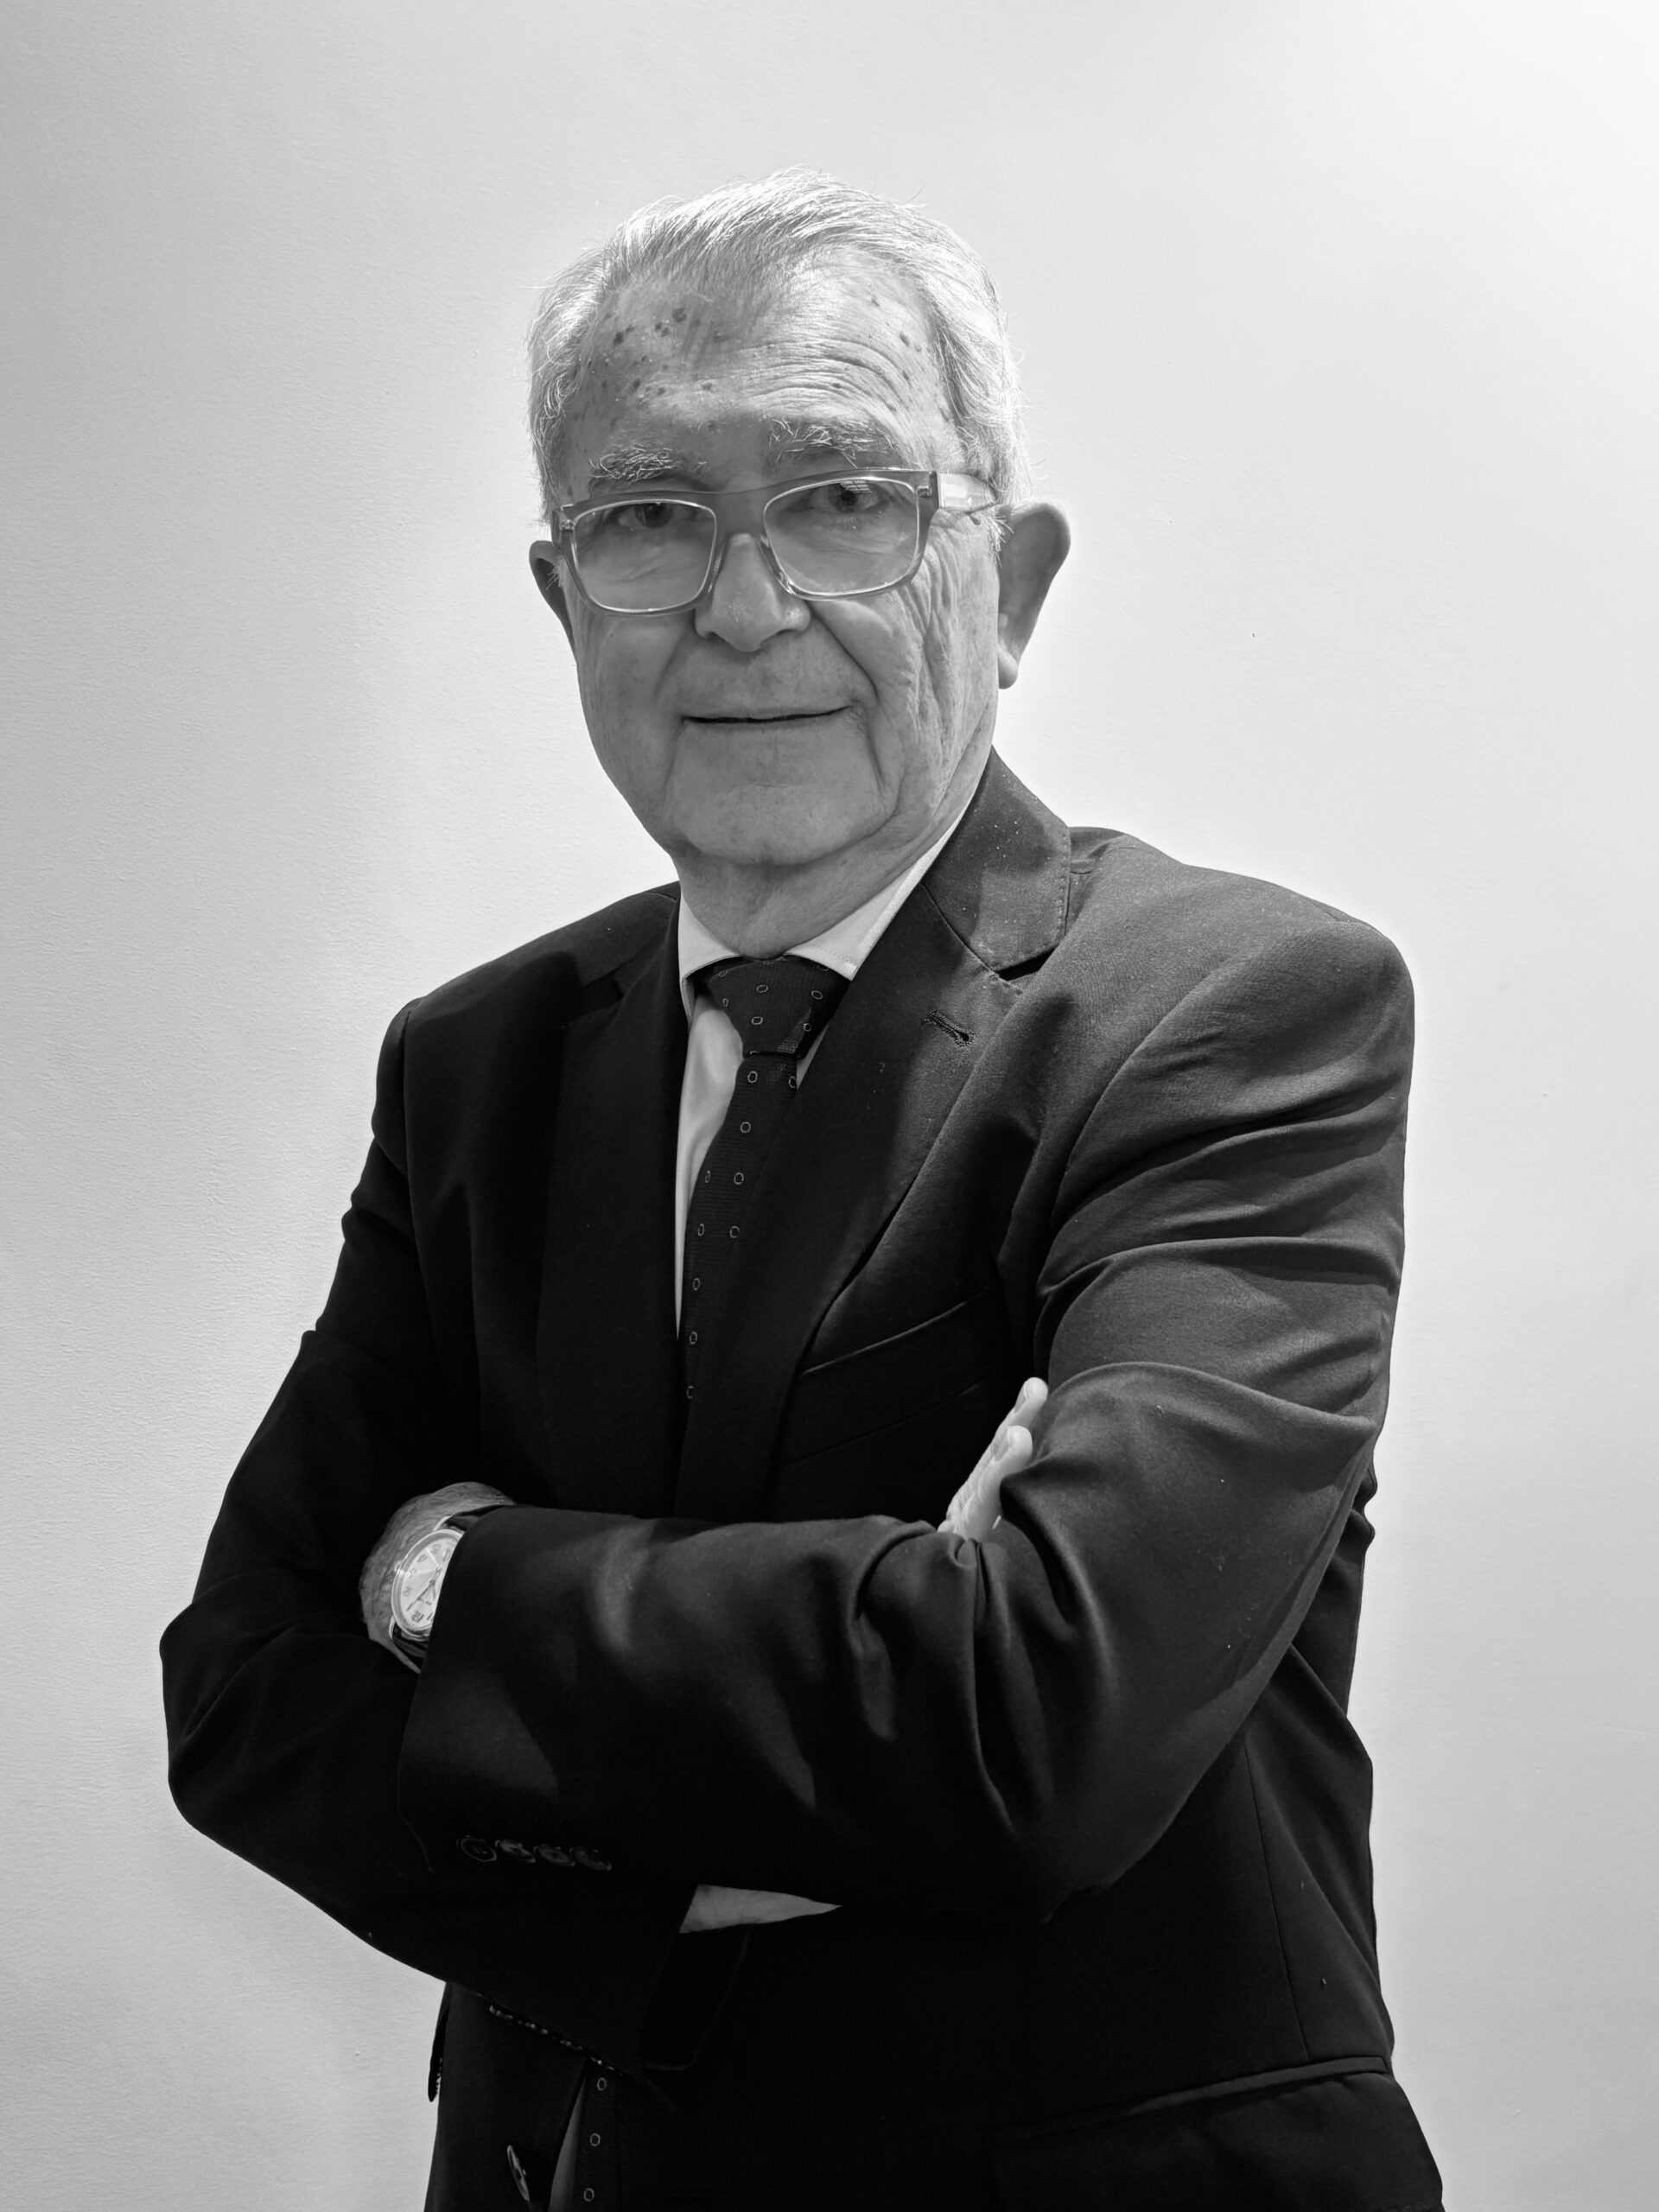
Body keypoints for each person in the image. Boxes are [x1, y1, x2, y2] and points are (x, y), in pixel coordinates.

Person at [162, 171, 1443, 2212]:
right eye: (650, 518)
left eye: (845, 499)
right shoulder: (478, 1059)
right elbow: (238, 1688)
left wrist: (445, 1583)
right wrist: (673, 1889)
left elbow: (1035, 1721)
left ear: (1010, 585)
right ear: (565, 598)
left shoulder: (1228, 1014)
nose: (745, 608)